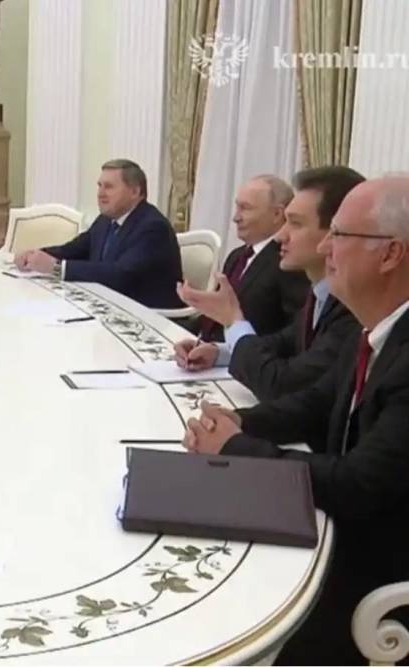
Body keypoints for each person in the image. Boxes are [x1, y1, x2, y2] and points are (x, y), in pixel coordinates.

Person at [182, 175, 409, 665]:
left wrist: (237, 450)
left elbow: (359, 483)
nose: (325, 248)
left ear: (390, 254)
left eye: (339, 235)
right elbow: (314, 404)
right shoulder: (374, 324)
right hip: (345, 530)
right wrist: (240, 422)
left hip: (379, 578)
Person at [174, 167, 363, 401]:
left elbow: (282, 384)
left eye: (295, 223)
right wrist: (219, 352)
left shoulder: (354, 307)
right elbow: (284, 342)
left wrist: (233, 321)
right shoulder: (321, 295)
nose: (280, 236)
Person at [14, 159, 184, 309]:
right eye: (99, 186)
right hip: (110, 306)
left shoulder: (153, 227)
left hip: (149, 317)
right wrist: (35, 255)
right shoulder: (106, 220)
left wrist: (57, 267)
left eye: (109, 187)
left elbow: (121, 274)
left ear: (135, 192)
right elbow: (74, 249)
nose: (100, 194)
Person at [193, 175, 309, 341]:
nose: (236, 218)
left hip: (249, 353)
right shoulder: (237, 256)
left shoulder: (289, 262)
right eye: (237, 207)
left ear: (277, 214)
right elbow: (217, 316)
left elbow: (296, 332)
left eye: (245, 208)